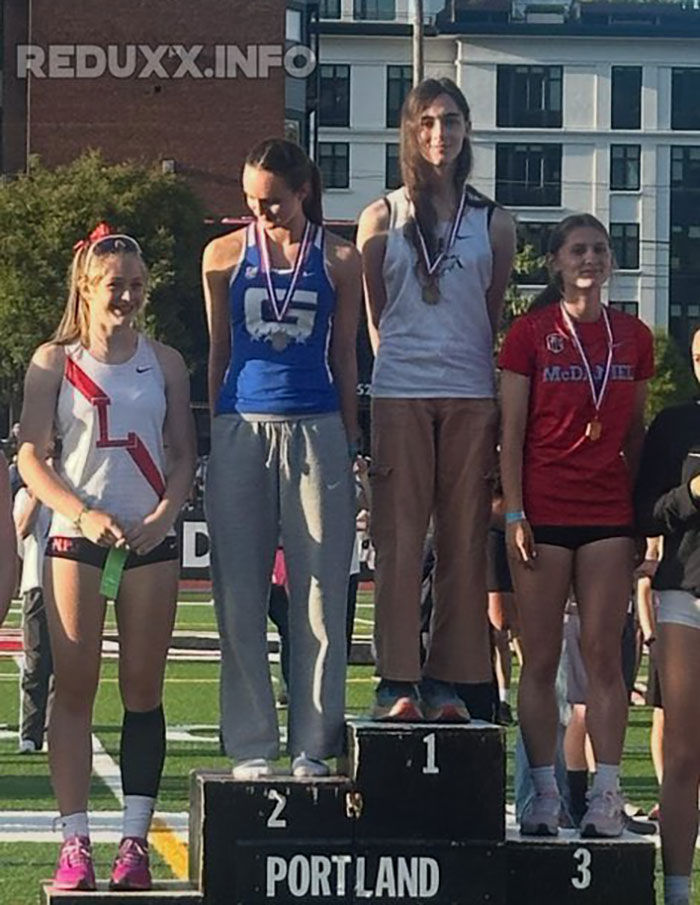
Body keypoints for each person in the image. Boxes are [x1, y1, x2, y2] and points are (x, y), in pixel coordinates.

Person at [18, 224, 196, 891]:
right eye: (114, 285)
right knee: (76, 686)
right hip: (77, 538)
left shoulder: (167, 362)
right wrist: (81, 510)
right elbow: (32, 455)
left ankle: (134, 840)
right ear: (87, 288)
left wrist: (162, 516)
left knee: (143, 691)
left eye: (137, 286)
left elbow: (182, 452)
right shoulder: (52, 362)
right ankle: (75, 840)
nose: (126, 296)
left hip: (148, 544)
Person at [357, 77, 516, 722]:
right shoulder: (382, 216)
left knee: (462, 541)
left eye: (450, 121)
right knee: (398, 540)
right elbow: (375, 319)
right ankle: (397, 678)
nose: (439, 134)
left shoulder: (492, 221)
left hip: (471, 394)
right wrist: (402, 364)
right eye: (426, 122)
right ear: (409, 132)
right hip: (400, 392)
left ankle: (450, 680)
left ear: (467, 130)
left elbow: (491, 310)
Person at [202, 138, 360, 780]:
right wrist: (216, 432)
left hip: (317, 427)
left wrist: (350, 444)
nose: (259, 213)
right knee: (238, 593)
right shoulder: (221, 256)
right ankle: (251, 745)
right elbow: (217, 351)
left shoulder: (341, 259)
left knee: (321, 592)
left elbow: (347, 356)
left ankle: (314, 744)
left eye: (271, 202)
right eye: (249, 202)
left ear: (303, 192)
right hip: (241, 424)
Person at [499, 213, 654, 837]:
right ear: (557, 263)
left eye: (599, 250)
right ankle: (542, 792)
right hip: (542, 513)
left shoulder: (634, 337)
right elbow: (509, 432)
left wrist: (638, 511)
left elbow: (634, 432)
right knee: (539, 661)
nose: (590, 260)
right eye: (578, 251)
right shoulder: (530, 334)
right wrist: (514, 509)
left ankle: (606, 794)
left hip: (608, 515)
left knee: (603, 660)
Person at [635, 326, 700, 905]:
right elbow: (645, 511)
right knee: (682, 750)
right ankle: (676, 887)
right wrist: (692, 495)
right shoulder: (675, 425)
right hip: (686, 594)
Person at [13, 444, 55, 754]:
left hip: (68, 583)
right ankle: (30, 733)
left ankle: (57, 730)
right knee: (36, 662)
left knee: (67, 665)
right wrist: (40, 495)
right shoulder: (24, 497)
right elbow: (23, 529)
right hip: (37, 585)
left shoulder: (71, 494)